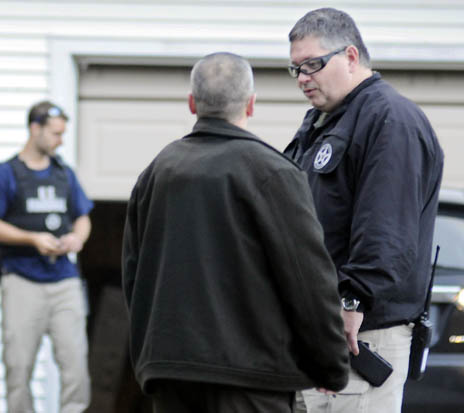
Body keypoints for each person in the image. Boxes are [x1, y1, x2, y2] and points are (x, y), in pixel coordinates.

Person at [122, 52, 350, 412]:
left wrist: (149, 361)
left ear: (192, 103)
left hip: (171, 377)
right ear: (251, 104)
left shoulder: (157, 172)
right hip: (252, 380)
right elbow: (307, 280)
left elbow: (134, 277)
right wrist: (331, 365)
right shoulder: (271, 172)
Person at [285, 8, 444, 413]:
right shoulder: (326, 122)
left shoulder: (390, 119)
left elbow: (387, 228)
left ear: (351, 56)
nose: (303, 77)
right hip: (320, 335)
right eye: (296, 69)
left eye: (313, 65)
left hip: (360, 334)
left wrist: (352, 302)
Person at [0, 101, 92, 412]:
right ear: (35, 129)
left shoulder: (64, 174)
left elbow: (83, 217)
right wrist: (32, 239)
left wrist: (76, 239)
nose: (60, 140)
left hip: (63, 280)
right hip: (21, 280)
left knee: (75, 363)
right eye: (55, 133)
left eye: (63, 134)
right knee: (18, 366)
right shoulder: (6, 173)